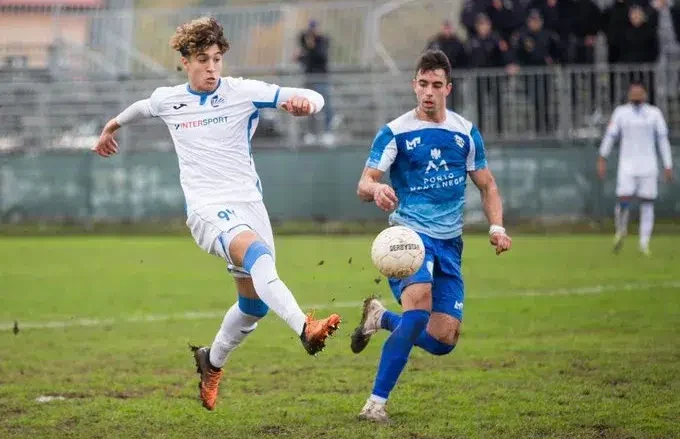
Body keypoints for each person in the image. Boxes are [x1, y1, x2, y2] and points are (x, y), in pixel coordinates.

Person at [91, 17, 341, 411]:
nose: (211, 68)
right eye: (203, 60)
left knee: (253, 308)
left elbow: (313, 95)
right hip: (207, 210)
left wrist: (307, 104)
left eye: (217, 59)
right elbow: (140, 108)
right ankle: (305, 328)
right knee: (257, 255)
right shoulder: (169, 99)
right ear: (185, 61)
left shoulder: (242, 92)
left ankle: (211, 361)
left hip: (249, 205)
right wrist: (110, 127)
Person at [351, 49, 513, 423]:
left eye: (436, 85)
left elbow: (488, 185)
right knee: (418, 310)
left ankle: (380, 317)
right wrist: (376, 189)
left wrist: (497, 228)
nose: (428, 92)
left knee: (443, 340)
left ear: (448, 88)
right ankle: (375, 404)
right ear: (414, 85)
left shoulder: (466, 133)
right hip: (409, 239)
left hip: (450, 243)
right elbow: (364, 182)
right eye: (423, 84)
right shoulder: (395, 132)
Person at [598, 81, 673, 255]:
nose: (636, 95)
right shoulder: (621, 113)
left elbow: (662, 140)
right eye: (633, 92)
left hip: (648, 165)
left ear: (645, 94)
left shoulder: (654, 113)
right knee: (623, 199)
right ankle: (621, 230)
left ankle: (644, 243)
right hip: (627, 165)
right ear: (629, 94)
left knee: (647, 203)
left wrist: (668, 164)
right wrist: (602, 157)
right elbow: (610, 136)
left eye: (639, 92)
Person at [295, 19, 334, 146]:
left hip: (321, 78)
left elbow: (321, 57)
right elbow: (304, 59)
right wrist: (302, 53)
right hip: (309, 78)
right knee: (309, 106)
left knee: (326, 106)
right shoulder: (305, 41)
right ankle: (311, 133)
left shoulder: (322, 41)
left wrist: (312, 47)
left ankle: (327, 132)